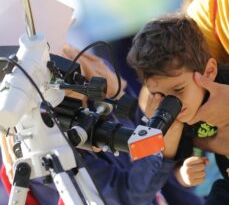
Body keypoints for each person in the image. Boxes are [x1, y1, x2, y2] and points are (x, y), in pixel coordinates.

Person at [0, 44, 180, 205]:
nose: (64, 70)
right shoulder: (36, 140)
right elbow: (127, 197)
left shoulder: (100, 78)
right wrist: (154, 142)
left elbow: (162, 170)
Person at [126, 12, 229, 197]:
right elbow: (174, 162)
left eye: (179, 89)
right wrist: (183, 174)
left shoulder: (225, 82)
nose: (173, 103)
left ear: (209, 72)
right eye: (159, 94)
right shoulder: (173, 116)